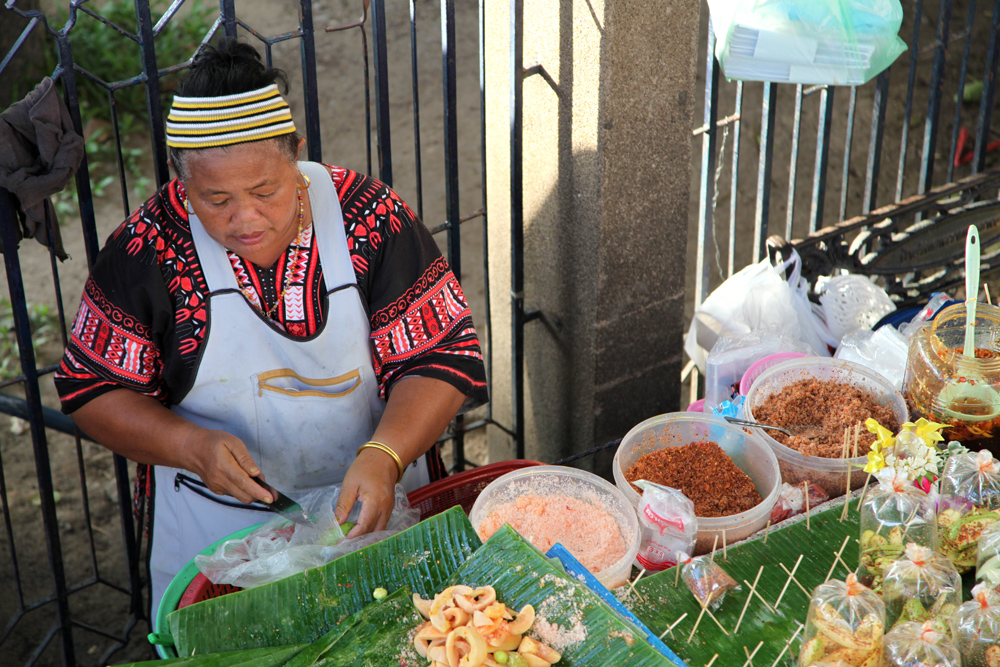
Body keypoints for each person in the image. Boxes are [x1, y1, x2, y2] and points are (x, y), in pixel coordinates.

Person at [53, 38, 488, 623]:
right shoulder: (147, 248)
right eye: (216, 199)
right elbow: (91, 390)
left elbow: (442, 356)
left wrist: (386, 454)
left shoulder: (369, 216)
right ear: (181, 181)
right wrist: (190, 446)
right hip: (218, 532)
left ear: (297, 158)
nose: (246, 218)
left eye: (265, 191)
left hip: (376, 503)